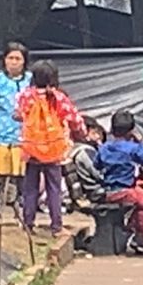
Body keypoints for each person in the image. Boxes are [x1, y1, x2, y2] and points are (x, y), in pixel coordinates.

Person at [16, 60, 87, 237]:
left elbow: (17, 114)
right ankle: (56, 226)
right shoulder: (59, 98)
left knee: (30, 188)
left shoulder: (26, 95)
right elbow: (74, 119)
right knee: (54, 188)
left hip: (32, 149)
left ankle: (28, 224)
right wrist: (81, 133)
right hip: (54, 149)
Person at [97, 111, 143, 250]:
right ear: (131, 131)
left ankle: (137, 229)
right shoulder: (132, 148)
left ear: (112, 130)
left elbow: (97, 164)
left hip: (107, 191)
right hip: (125, 191)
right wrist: (139, 142)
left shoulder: (104, 148)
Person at [0, 42, 31, 221]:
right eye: (10, 58)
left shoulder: (30, 79)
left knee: (20, 175)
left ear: (24, 61)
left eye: (17, 58)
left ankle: (19, 211)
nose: (13, 62)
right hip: (0, 131)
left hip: (23, 134)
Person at [67, 118, 107, 209]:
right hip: (95, 189)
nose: (98, 136)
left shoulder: (74, 148)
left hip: (87, 189)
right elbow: (99, 175)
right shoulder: (86, 152)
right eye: (94, 133)